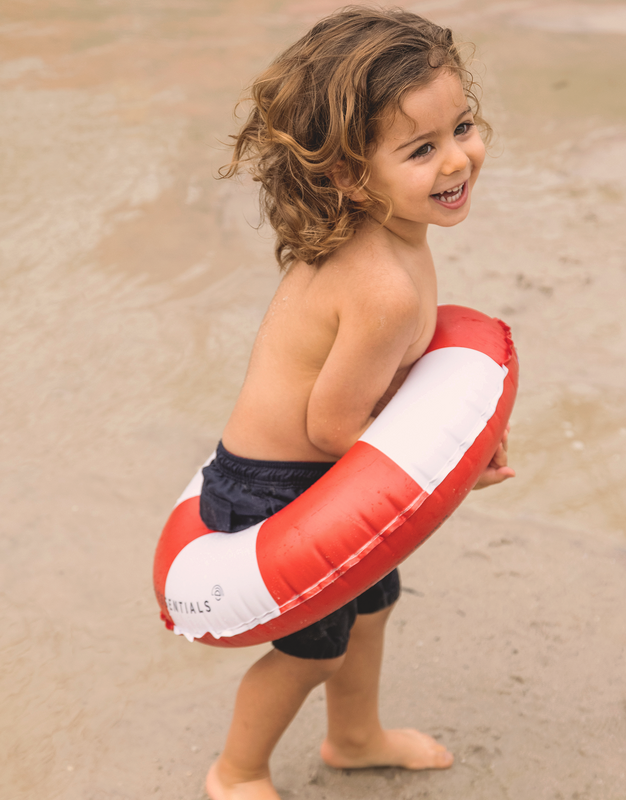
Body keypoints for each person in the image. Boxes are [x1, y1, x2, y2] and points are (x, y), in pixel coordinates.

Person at [199, 8, 514, 799]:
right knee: (315, 651)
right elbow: (334, 424)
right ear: (347, 173)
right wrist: (451, 465)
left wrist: (467, 434)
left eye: (463, 126)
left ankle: (354, 736)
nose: (457, 159)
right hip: (279, 493)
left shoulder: (393, 235)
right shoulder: (378, 286)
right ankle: (235, 773)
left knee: (372, 610)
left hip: (328, 478)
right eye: (421, 149)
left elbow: (378, 392)